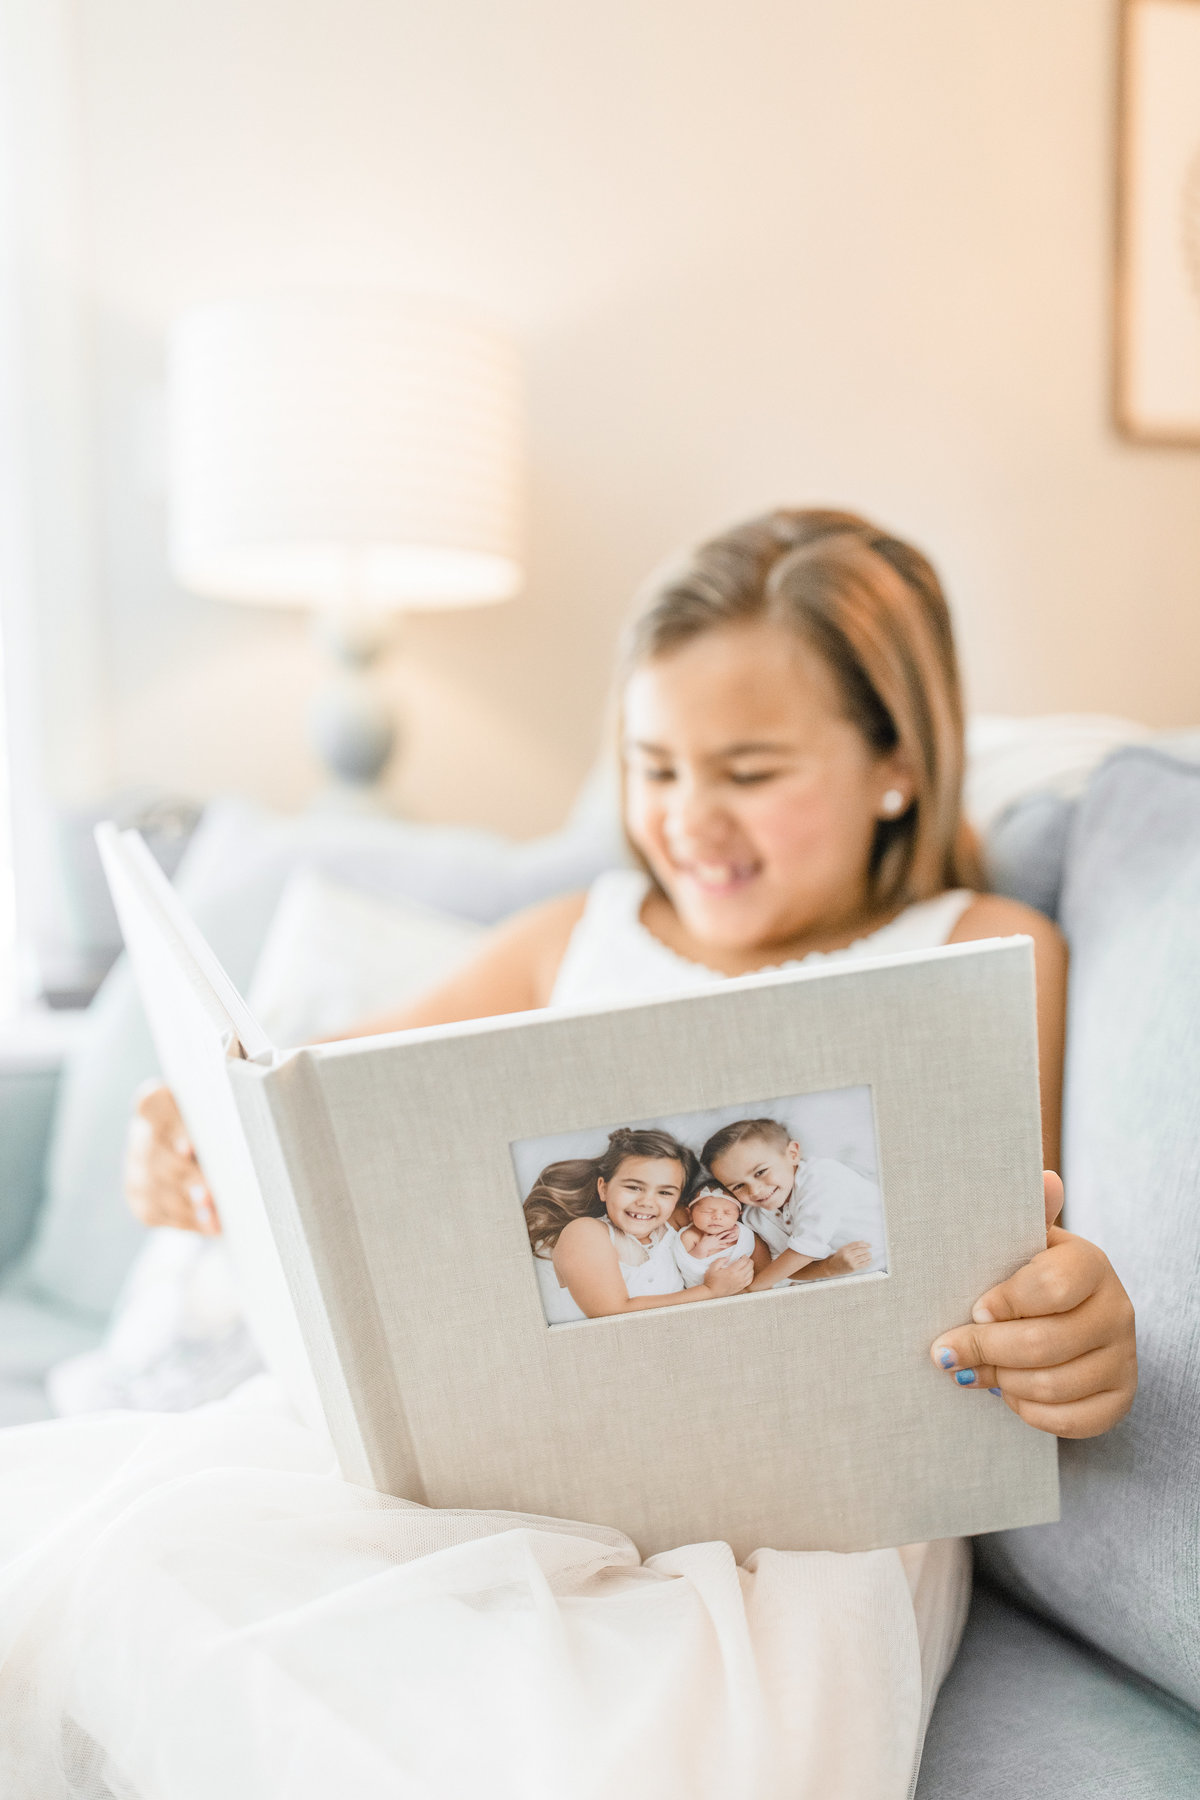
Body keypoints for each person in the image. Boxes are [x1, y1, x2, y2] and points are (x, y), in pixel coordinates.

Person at [9, 507, 1138, 1800]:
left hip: (801, 1524)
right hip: (501, 1480)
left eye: (752, 771)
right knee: (136, 1569)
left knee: (631, 1752)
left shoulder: (979, 948)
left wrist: (1069, 1314)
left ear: (898, 764)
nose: (689, 818)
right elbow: (305, 1122)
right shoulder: (571, 936)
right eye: (654, 769)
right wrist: (191, 1147)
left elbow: (1014, 1251)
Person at [524, 1128, 754, 1321]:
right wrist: (710, 1291)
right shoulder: (585, 1232)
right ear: (603, 1188)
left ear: (678, 1200)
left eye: (665, 1192)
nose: (646, 1202)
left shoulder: (675, 1224)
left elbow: (736, 1226)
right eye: (633, 1187)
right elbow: (611, 1313)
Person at [703, 1117, 879, 1288]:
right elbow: (787, 1269)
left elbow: (803, 1251)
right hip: (846, 1282)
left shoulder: (820, 1176)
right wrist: (829, 1268)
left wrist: (752, 1289)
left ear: (793, 1154)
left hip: (887, 1260)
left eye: (760, 1172)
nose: (755, 1191)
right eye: (739, 1186)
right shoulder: (755, 1217)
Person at [671, 1181, 760, 1288]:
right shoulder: (689, 1236)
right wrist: (702, 1249)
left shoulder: (741, 1232)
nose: (717, 1217)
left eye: (727, 1213)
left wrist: (742, 1234)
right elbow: (688, 1264)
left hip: (741, 1285)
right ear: (690, 1214)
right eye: (707, 1211)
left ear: (738, 1216)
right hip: (702, 1287)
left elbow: (747, 1249)